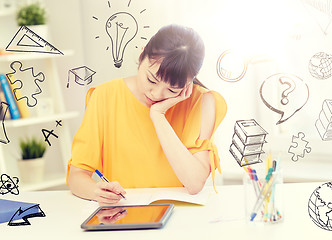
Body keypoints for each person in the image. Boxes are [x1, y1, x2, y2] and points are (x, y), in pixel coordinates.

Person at [67, 24, 227, 205]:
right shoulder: (104, 96)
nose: (156, 94)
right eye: (151, 79)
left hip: (181, 218)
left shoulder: (202, 101)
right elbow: (77, 176)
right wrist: (96, 191)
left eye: (172, 89)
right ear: (141, 55)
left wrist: (158, 116)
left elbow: (194, 183)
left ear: (189, 83)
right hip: (124, 215)